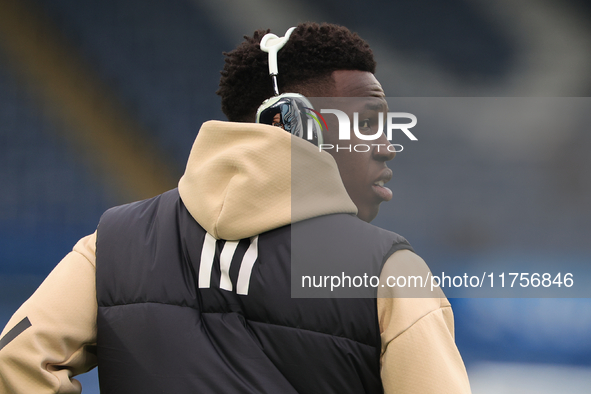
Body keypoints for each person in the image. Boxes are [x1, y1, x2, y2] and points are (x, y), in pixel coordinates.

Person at [0, 22, 471, 393]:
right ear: (297, 123)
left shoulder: (111, 245)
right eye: (369, 122)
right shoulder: (391, 271)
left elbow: (16, 363)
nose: (388, 145)